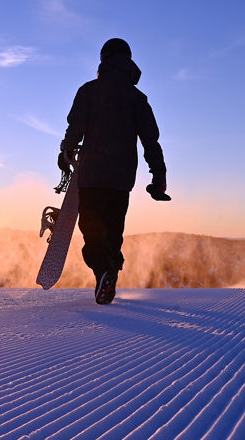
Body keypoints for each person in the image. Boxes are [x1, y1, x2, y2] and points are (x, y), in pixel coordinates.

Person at [58, 38, 168, 305]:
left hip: (92, 176)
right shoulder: (137, 98)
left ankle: (104, 271)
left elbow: (75, 128)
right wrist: (159, 177)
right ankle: (107, 278)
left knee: (93, 231)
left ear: (103, 59)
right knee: (113, 232)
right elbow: (151, 140)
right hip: (121, 179)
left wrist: (65, 153)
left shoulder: (88, 91)